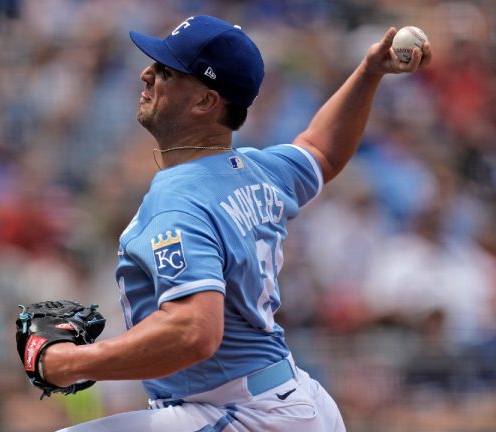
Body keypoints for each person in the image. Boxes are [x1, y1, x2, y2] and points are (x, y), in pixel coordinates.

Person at [40, 15, 431, 431]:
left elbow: (195, 332)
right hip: (287, 402)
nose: (147, 73)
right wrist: (369, 74)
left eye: (167, 71)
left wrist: (70, 363)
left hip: (239, 414)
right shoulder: (257, 169)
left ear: (206, 102)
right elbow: (321, 149)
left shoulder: (179, 199)